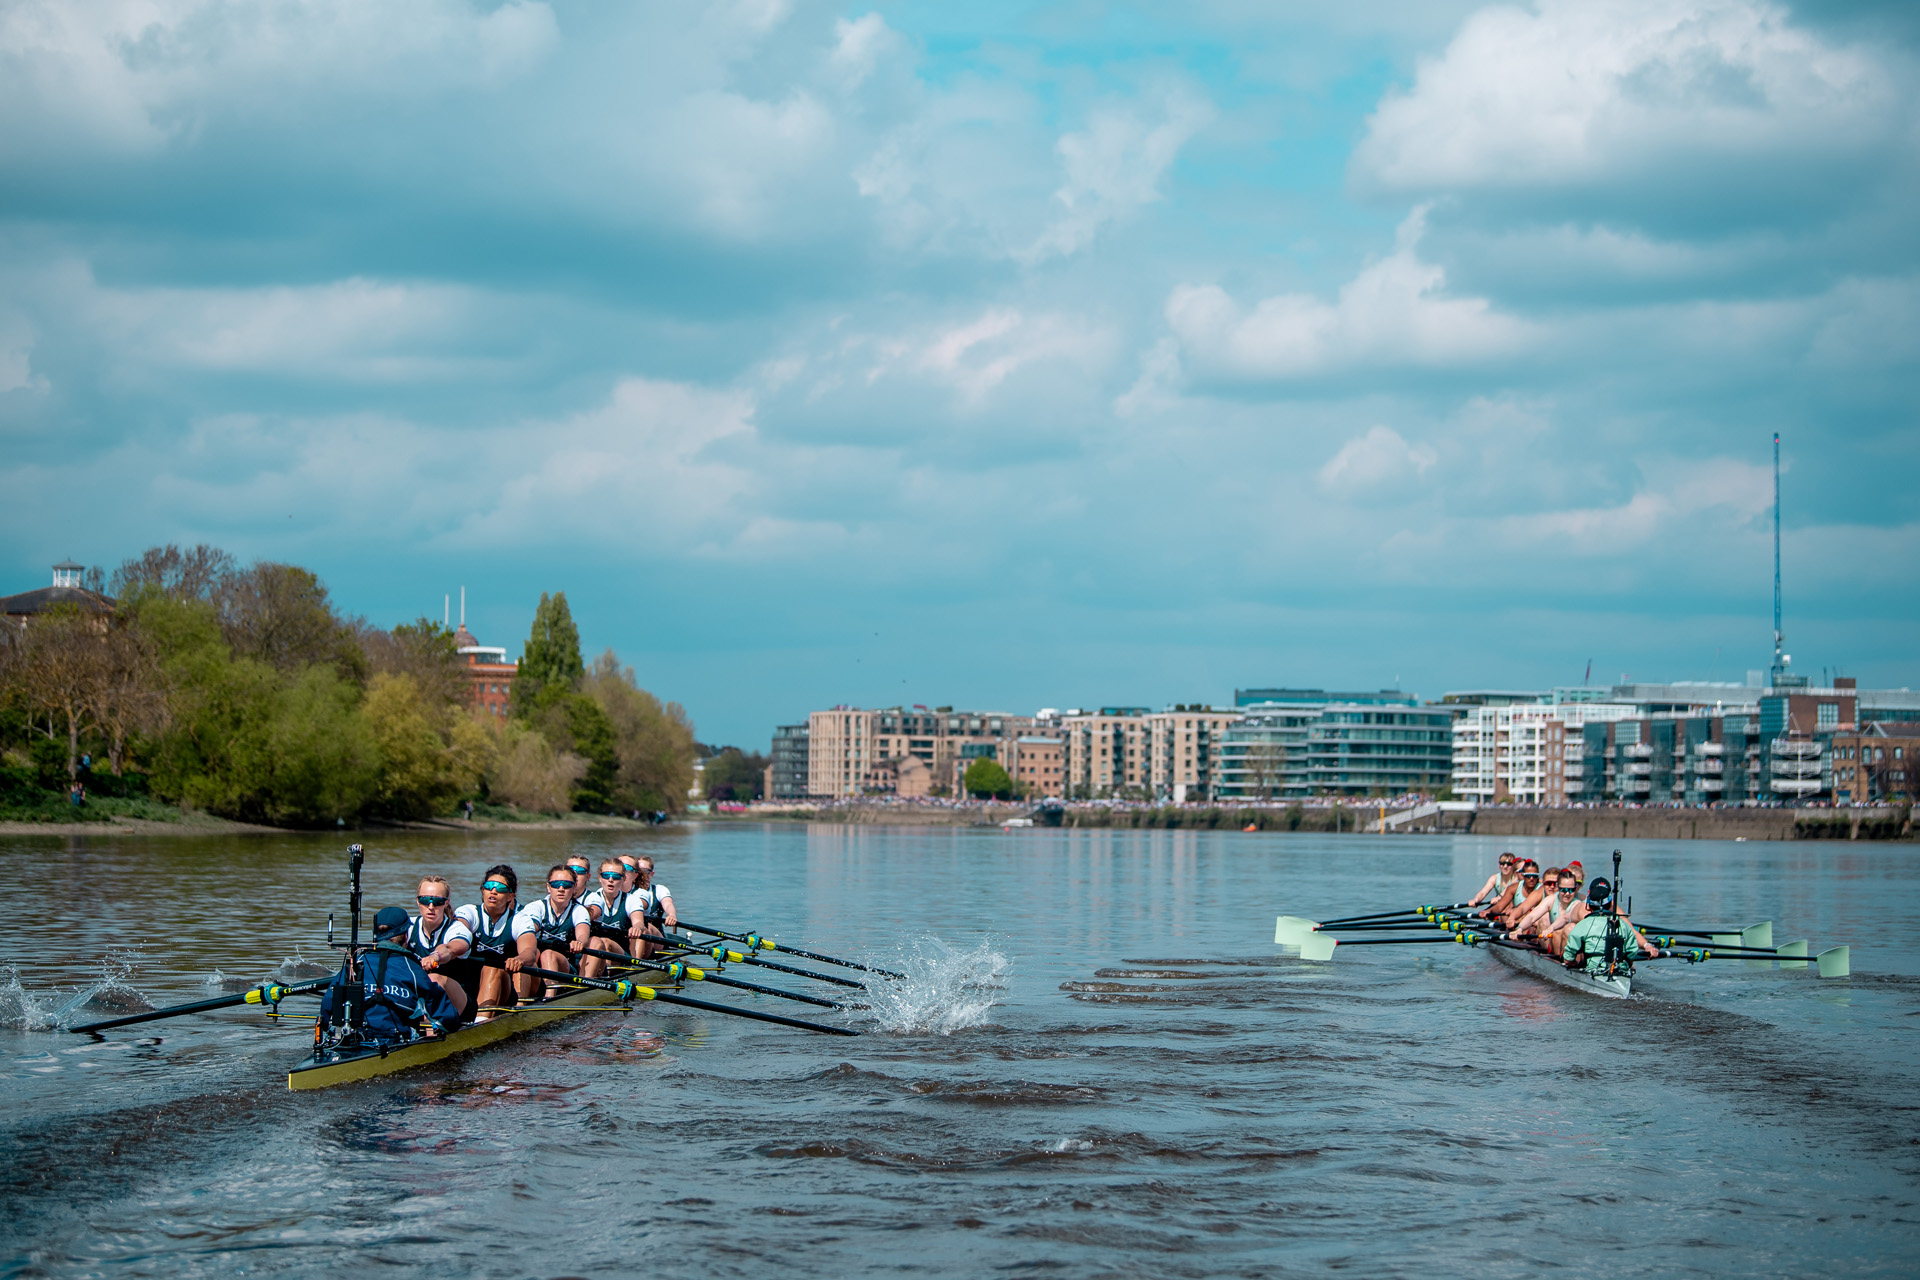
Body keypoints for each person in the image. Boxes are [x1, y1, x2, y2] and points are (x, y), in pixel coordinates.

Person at [316, 906, 462, 1045]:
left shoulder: (355, 964)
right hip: (395, 1041)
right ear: (406, 936)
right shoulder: (412, 968)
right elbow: (446, 1018)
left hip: (354, 1038)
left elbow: (327, 1006)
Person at [508, 863, 592, 1002]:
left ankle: (548, 1000)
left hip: (566, 969)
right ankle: (520, 1001)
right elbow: (531, 926)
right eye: (556, 884)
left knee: (548, 954)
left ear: (574, 888)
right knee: (528, 955)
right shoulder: (536, 907)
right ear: (548, 887)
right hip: (538, 968)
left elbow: (583, 934)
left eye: (566, 885)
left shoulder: (579, 910)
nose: (561, 889)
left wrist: (580, 943)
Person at [453, 864, 520, 1021]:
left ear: (510, 896)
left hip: (502, 990)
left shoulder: (519, 919)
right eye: (489, 886)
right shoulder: (468, 912)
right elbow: (459, 930)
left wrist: (520, 959)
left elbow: (529, 950)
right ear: (483, 890)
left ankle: (480, 1024)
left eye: (500, 888)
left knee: (492, 967)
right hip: (468, 987)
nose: (494, 891)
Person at [1560, 879, 1661, 972]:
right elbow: (1631, 950)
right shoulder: (1583, 908)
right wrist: (1630, 963)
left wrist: (1647, 946)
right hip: (1603, 957)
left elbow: (1633, 932)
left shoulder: (1585, 923)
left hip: (1594, 965)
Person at [408, 876, 472, 1019]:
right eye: (425, 900)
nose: (431, 907)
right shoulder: (408, 927)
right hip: (418, 998)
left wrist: (435, 956)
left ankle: (429, 1034)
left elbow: (450, 949)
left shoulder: (457, 929)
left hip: (459, 1002)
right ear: (418, 901)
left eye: (437, 902)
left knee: (433, 979)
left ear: (446, 903)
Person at [578, 857, 641, 978]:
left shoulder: (631, 900)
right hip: (596, 953)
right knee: (598, 942)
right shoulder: (592, 899)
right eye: (606, 875)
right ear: (600, 878)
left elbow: (638, 921)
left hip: (623, 955)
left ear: (623, 879)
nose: (610, 880)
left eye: (616, 876)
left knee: (604, 942)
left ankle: (606, 977)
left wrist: (637, 927)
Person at [636, 857, 677, 931]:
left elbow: (668, 904)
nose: (641, 875)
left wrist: (671, 915)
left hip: (656, 937)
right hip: (633, 935)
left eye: (644, 871)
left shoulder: (659, 890)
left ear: (652, 874)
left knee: (645, 927)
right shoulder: (628, 890)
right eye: (638, 871)